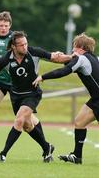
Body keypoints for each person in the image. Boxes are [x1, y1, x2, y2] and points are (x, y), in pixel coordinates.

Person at [0, 31, 72, 162]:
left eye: (26, 44)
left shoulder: (34, 52)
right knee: (27, 125)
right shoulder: (5, 59)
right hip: (17, 96)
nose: (25, 47)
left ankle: (3, 154)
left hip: (32, 94)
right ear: (13, 46)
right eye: (21, 45)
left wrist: (73, 57)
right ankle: (47, 147)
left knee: (19, 120)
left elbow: (55, 57)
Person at [33, 33, 99, 164]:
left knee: (80, 122)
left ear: (80, 47)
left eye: (74, 47)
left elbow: (64, 71)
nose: (72, 50)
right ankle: (76, 156)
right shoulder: (94, 58)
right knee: (79, 122)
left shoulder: (81, 59)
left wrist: (43, 77)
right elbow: (69, 64)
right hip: (96, 99)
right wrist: (64, 57)